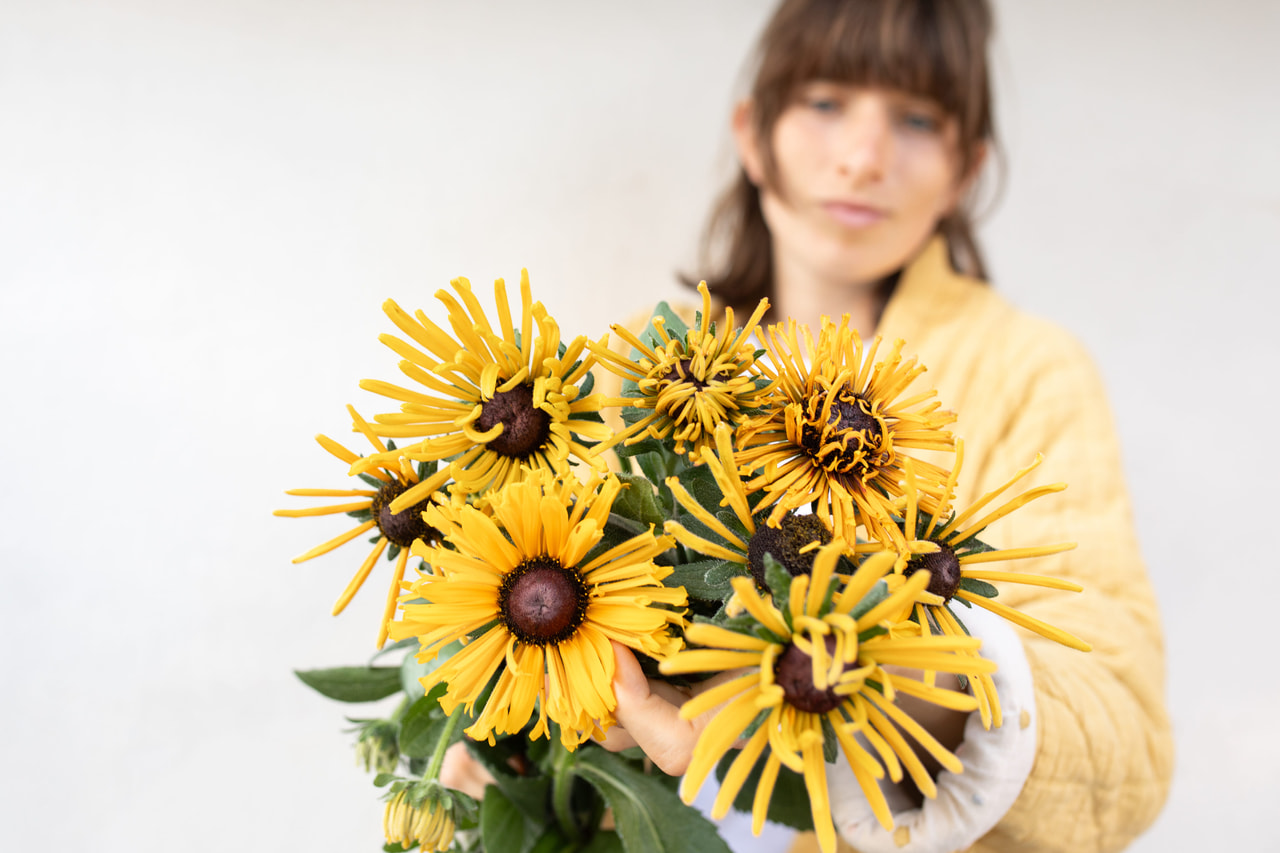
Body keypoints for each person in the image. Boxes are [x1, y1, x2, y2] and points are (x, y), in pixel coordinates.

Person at [597, 1, 1174, 851]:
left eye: (915, 119)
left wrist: (880, 674)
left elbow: (1124, 746)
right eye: (826, 101)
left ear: (965, 168)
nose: (863, 158)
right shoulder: (639, 371)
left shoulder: (1030, 372)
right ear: (753, 133)